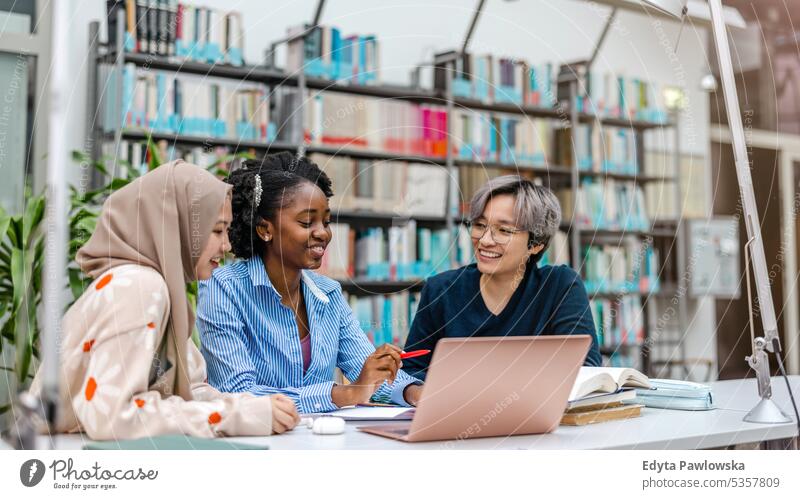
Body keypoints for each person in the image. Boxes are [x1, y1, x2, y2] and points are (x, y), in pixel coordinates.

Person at [29, 160, 299, 440]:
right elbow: (113, 417)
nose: (227, 246)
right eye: (217, 230)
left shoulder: (159, 290)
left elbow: (189, 393)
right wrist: (236, 416)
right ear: (176, 226)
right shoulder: (139, 286)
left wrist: (250, 407)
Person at [196, 152, 423, 413]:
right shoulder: (222, 288)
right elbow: (237, 393)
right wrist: (344, 393)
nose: (323, 233)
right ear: (265, 229)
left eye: (326, 221)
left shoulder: (329, 293)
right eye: (307, 222)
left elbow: (366, 373)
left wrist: (415, 392)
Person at [402, 175, 602, 381]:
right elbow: (412, 369)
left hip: (537, 410)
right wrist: (415, 392)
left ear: (535, 244)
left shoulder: (560, 286)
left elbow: (584, 367)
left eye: (504, 230)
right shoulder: (440, 289)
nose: (485, 240)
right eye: (479, 225)